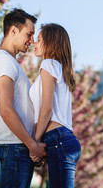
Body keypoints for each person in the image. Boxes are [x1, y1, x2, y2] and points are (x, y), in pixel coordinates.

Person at [0, 8, 47, 188]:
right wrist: (32, 146)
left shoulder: (10, 62)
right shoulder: (3, 61)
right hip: (15, 147)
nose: (32, 41)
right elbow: (6, 109)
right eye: (29, 34)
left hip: (19, 147)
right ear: (13, 31)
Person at [29, 23, 81, 188]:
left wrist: (35, 143)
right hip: (63, 139)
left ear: (51, 43)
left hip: (58, 140)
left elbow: (47, 108)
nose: (34, 43)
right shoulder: (59, 68)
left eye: (39, 39)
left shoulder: (48, 64)